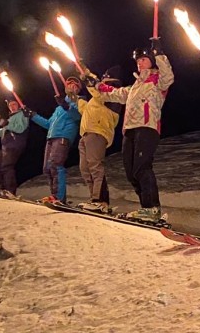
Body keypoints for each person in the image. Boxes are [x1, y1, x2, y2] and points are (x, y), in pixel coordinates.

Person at [98, 41, 174, 222]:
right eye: (138, 61)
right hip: (129, 129)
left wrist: (159, 53)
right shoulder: (133, 87)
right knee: (131, 172)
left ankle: (152, 208)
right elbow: (112, 93)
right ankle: (145, 209)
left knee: (142, 167)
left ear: (151, 60)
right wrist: (94, 84)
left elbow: (168, 77)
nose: (140, 63)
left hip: (147, 127)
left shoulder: (157, 80)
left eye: (144, 59)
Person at [75, 66, 123, 213]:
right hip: (87, 133)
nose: (103, 77)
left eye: (105, 75)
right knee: (85, 169)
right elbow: (86, 110)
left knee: (95, 166)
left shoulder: (113, 88)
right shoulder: (99, 92)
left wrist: (89, 78)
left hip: (98, 131)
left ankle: (101, 201)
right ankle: (94, 199)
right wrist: (76, 99)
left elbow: (100, 93)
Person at [30, 76, 82, 204]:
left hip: (63, 136)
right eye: (69, 85)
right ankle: (54, 195)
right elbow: (49, 124)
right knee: (47, 168)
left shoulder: (79, 101)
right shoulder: (59, 107)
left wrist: (66, 106)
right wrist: (33, 116)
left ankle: (59, 197)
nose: (71, 87)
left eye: (74, 85)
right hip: (51, 137)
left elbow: (78, 116)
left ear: (78, 89)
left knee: (56, 164)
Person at [0, 98, 31, 197]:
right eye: (10, 105)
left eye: (14, 104)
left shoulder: (22, 114)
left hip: (15, 144)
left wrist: (6, 123)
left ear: (18, 105)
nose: (12, 107)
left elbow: (20, 128)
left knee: (7, 166)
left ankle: (10, 191)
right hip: (6, 145)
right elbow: (3, 130)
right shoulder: (11, 118)